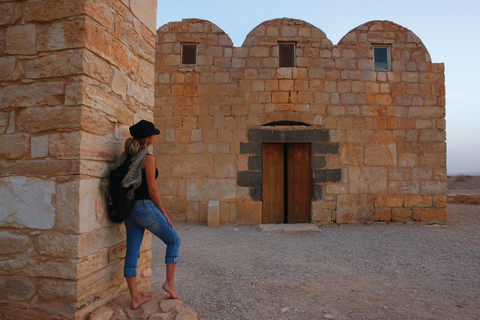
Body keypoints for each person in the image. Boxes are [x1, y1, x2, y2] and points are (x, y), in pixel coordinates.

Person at [121, 120, 181, 309]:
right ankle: (169, 284)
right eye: (153, 135)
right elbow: (152, 191)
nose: (154, 137)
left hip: (129, 211)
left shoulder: (126, 157)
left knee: (132, 253)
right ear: (148, 139)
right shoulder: (147, 158)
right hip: (145, 207)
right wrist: (163, 211)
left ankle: (135, 298)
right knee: (173, 240)